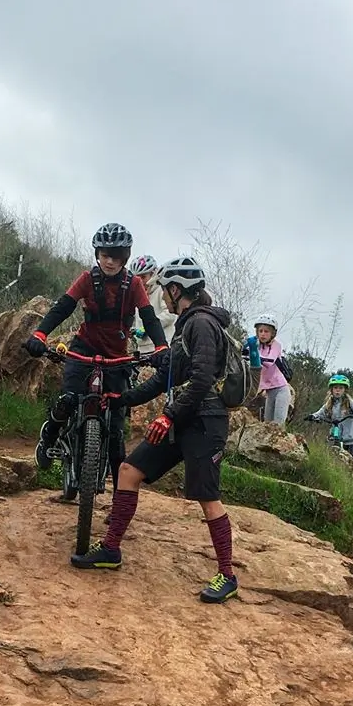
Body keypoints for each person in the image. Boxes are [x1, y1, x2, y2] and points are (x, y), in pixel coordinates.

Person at [70, 256, 248, 605]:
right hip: (183, 417)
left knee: (208, 498)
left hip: (205, 421)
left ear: (177, 290)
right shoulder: (186, 325)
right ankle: (111, 550)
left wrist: (167, 417)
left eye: (166, 289)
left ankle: (228, 576)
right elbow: (165, 380)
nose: (163, 296)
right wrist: (121, 400)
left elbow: (201, 380)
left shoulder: (201, 323)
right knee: (128, 471)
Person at [23, 223, 169, 490]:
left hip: (116, 358)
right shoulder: (87, 279)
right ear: (97, 255)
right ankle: (49, 437)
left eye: (116, 256)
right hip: (84, 349)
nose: (110, 261)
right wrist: (40, 335)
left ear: (125, 257)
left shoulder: (134, 284)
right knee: (68, 399)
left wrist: (161, 347)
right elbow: (63, 307)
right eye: (105, 255)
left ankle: (119, 498)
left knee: (115, 431)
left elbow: (150, 318)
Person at [304, 374, 353, 460]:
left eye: (341, 388)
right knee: (334, 457)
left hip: (350, 438)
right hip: (336, 435)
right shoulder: (330, 402)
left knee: (352, 460)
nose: (338, 390)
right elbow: (321, 412)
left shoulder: (348, 401)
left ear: (345, 390)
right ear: (331, 390)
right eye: (335, 388)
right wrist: (313, 416)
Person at [249, 314, 292, 427]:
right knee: (267, 424)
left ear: (272, 333)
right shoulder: (257, 346)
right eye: (260, 331)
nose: (263, 334)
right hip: (269, 390)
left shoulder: (276, 345)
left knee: (278, 424)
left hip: (281, 389)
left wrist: (253, 355)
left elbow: (269, 362)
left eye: (266, 331)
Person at [129, 254, 177, 353]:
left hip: (162, 345)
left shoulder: (161, 290)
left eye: (143, 277)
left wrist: (146, 328)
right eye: (137, 277)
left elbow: (170, 315)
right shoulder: (137, 294)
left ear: (153, 274)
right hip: (142, 348)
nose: (140, 281)